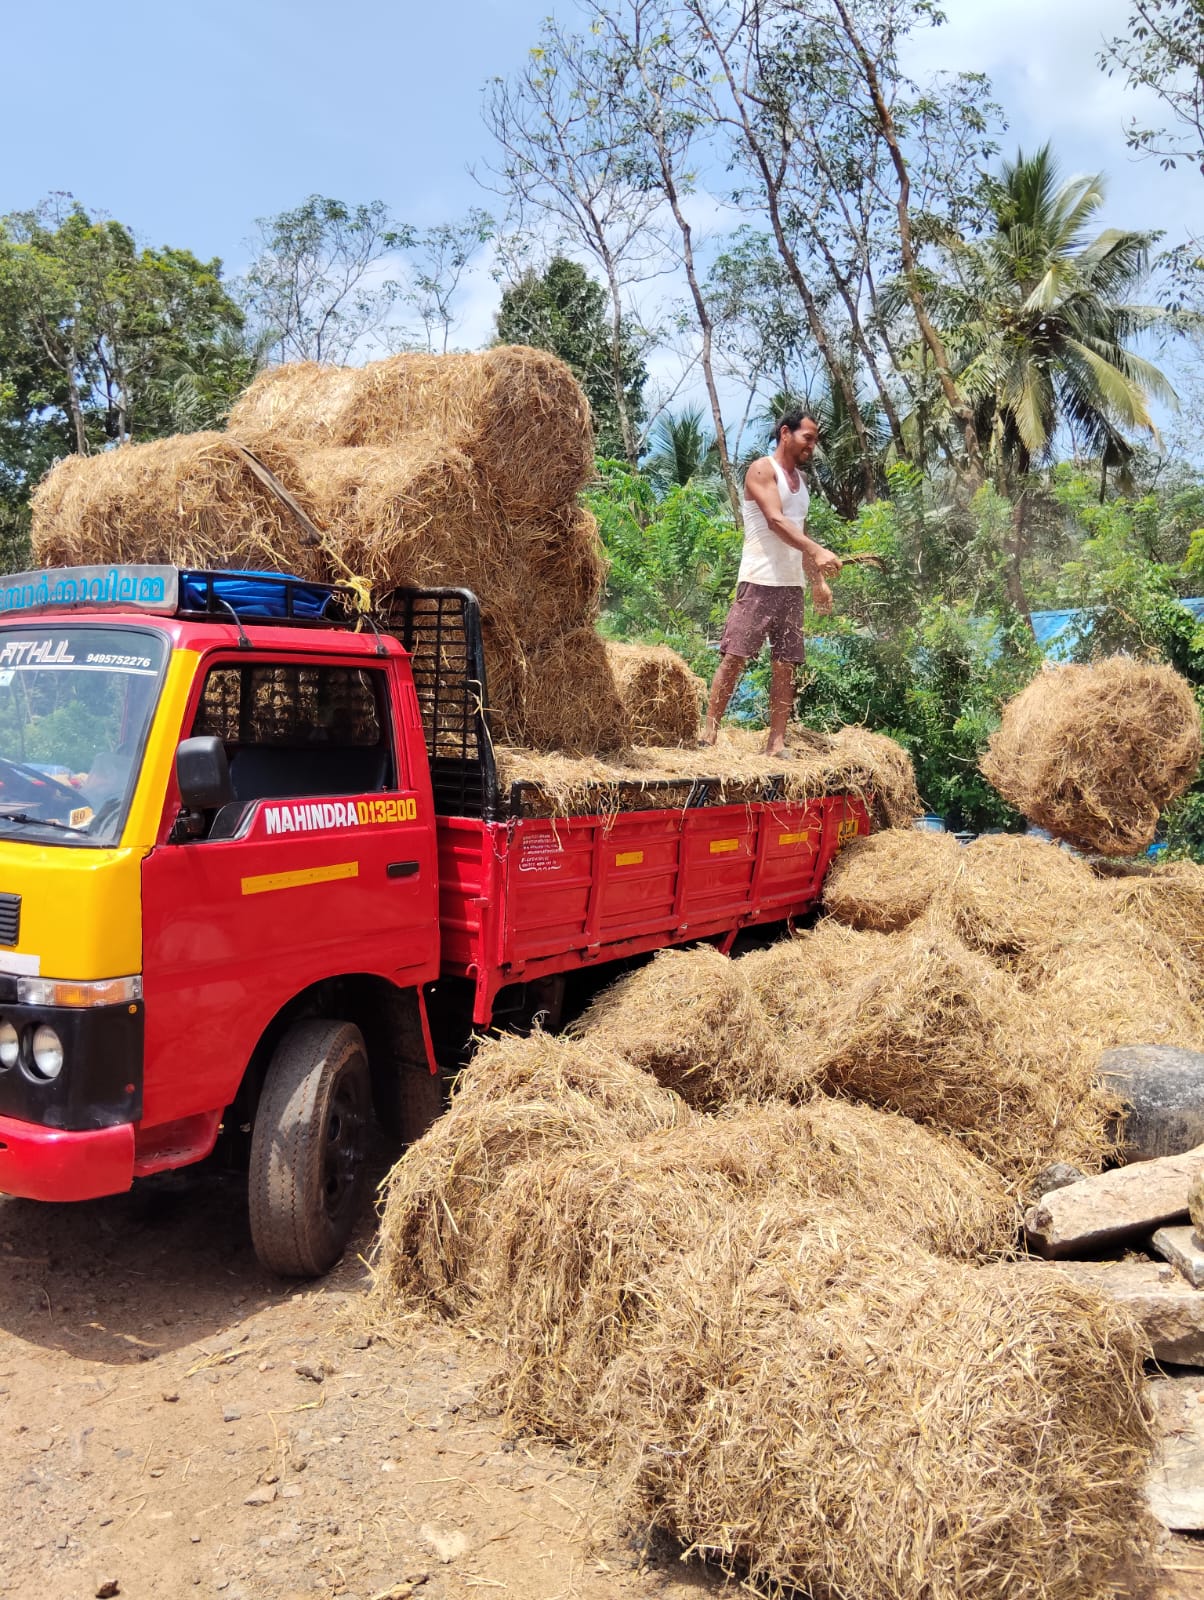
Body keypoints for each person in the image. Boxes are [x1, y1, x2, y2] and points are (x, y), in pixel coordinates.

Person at [700, 410, 842, 757]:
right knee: (734, 657)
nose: (813, 445)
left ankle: (775, 744)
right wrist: (819, 551)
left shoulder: (803, 483)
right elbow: (777, 521)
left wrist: (817, 580)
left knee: (785, 664)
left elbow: (800, 532)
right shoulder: (763, 470)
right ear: (785, 433)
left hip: (791, 586)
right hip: (759, 580)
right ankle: (708, 736)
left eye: (816, 439)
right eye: (808, 437)